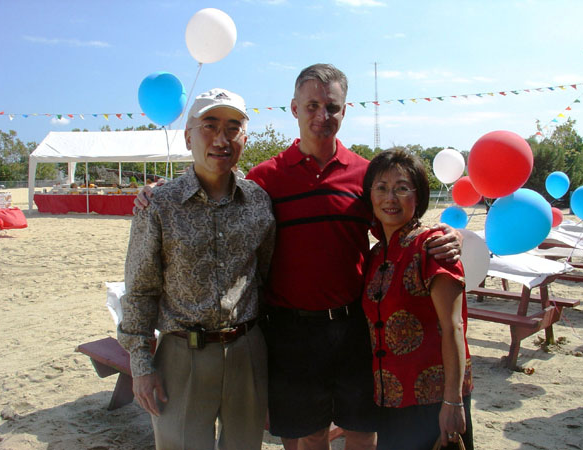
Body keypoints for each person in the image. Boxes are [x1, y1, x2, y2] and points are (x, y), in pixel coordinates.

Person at [135, 64, 461, 450]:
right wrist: (158, 191)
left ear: (344, 110)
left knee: (362, 432)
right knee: (308, 437)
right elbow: (219, 187)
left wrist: (445, 234)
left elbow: (396, 227)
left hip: (354, 327)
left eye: (332, 107)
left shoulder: (365, 176)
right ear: (294, 108)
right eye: (312, 106)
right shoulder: (265, 179)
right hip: (291, 332)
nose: (322, 115)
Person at [118, 88, 276, 450]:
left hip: (246, 352)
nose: (221, 139)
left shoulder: (258, 202)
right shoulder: (159, 205)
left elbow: (264, 274)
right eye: (210, 126)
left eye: (233, 128)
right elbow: (140, 290)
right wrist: (141, 366)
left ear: (244, 139)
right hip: (181, 356)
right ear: (188, 136)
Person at [361, 149, 473, 449]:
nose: (390, 198)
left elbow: (453, 327)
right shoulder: (375, 255)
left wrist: (453, 402)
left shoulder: (434, 247)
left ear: (418, 195)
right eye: (381, 188)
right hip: (389, 398)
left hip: (434, 402)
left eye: (402, 188)